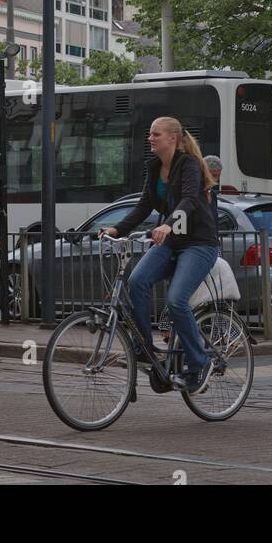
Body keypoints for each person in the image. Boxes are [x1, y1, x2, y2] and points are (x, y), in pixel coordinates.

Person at [103, 118, 219, 393]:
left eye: (156, 134)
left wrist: (168, 223)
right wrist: (117, 228)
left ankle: (200, 362)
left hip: (199, 243)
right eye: (150, 133)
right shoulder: (154, 167)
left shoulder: (188, 164)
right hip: (171, 241)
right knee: (137, 280)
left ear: (172, 139)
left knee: (176, 300)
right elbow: (144, 205)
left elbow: (189, 199)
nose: (150, 138)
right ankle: (144, 347)